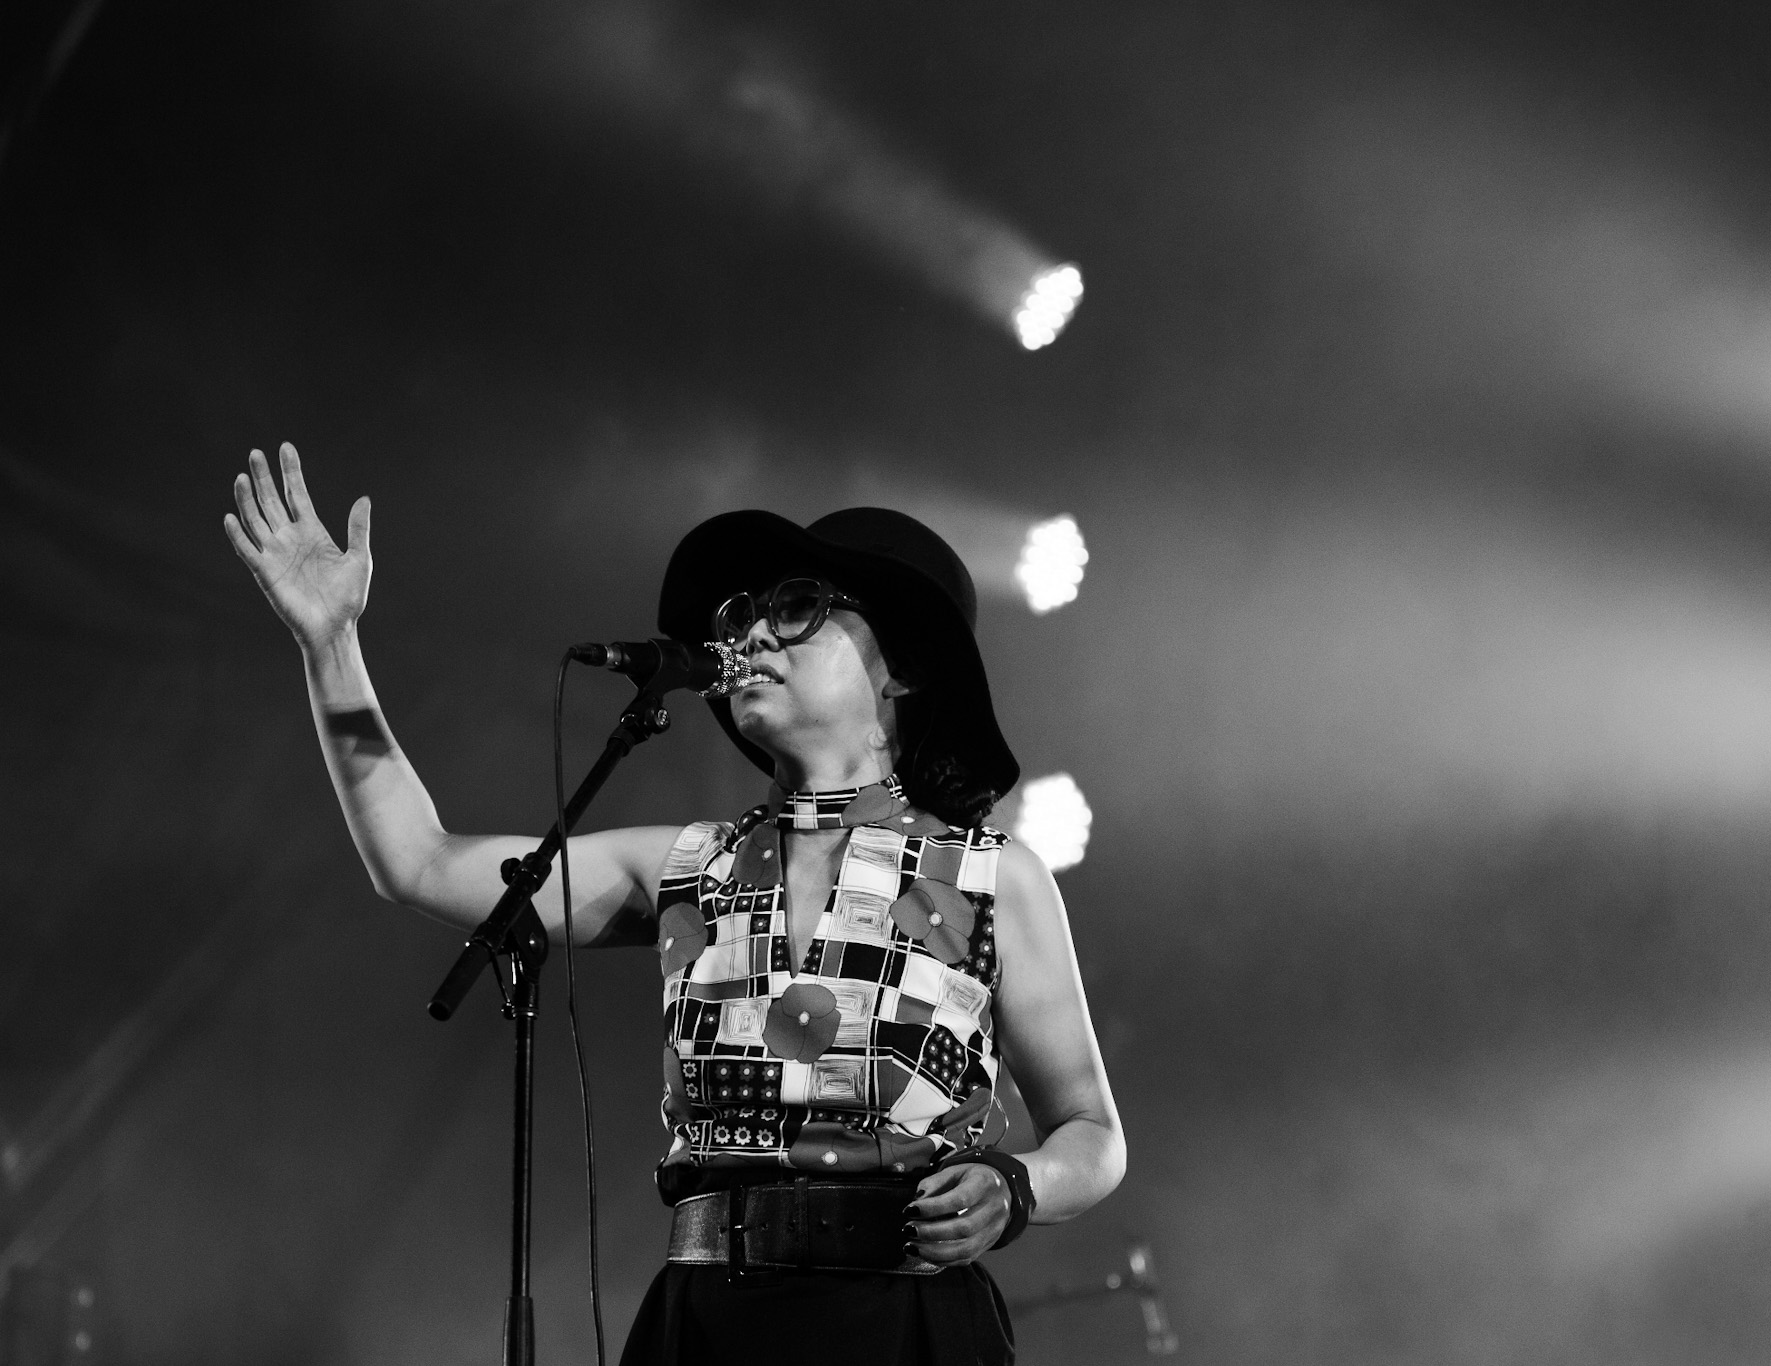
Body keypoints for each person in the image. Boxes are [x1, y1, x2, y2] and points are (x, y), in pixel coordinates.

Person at [223, 443, 1125, 1365]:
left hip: (908, 1324)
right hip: (708, 1325)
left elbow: (1092, 1134)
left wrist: (1014, 1188)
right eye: (745, 615)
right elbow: (419, 862)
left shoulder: (989, 875)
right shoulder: (690, 866)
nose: (755, 635)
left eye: (797, 607)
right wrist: (330, 646)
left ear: (904, 668)